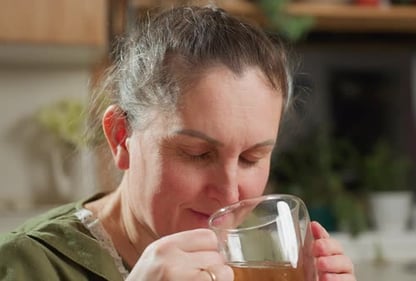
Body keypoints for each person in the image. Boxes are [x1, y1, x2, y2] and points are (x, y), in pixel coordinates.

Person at [0, 4, 356, 281]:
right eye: (198, 154)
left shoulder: (263, 258)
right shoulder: (26, 264)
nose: (231, 194)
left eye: (251, 158)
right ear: (121, 137)